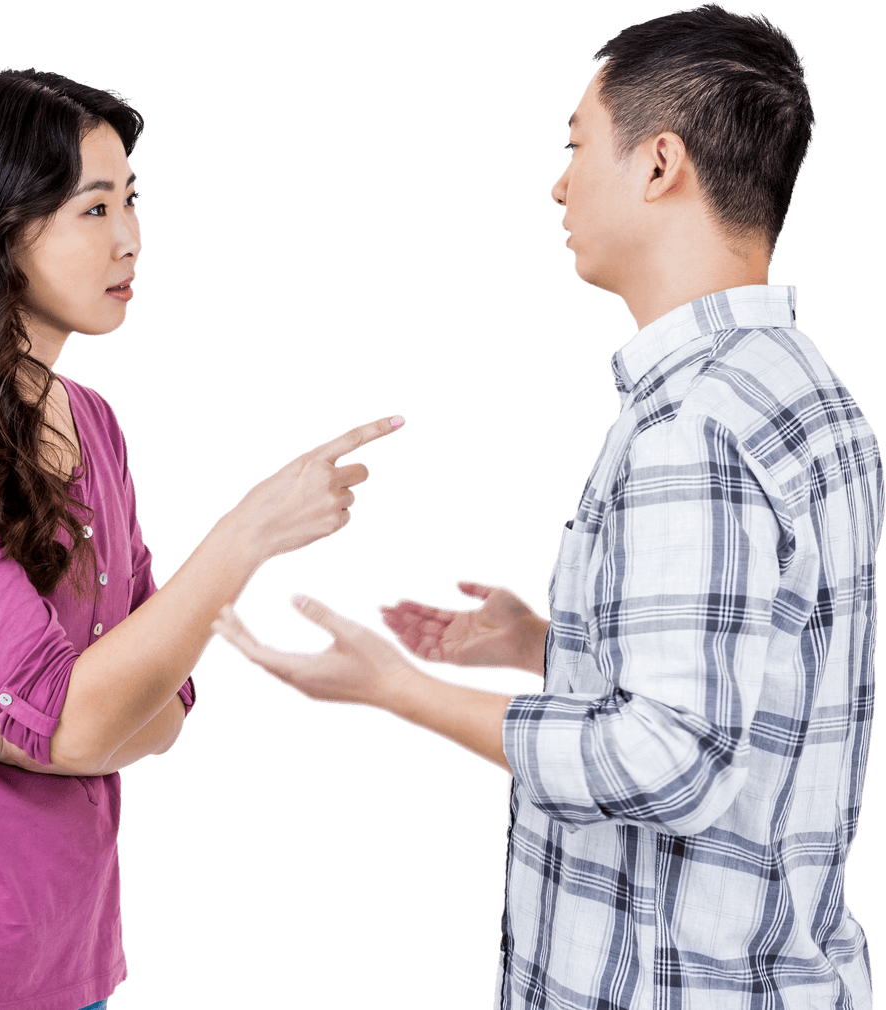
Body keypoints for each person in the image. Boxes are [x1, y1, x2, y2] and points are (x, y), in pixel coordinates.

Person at [211, 4, 882, 1007]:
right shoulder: (806, 391)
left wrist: (396, 689)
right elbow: (761, 681)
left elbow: (670, 763)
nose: (559, 184)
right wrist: (553, 647)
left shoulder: (692, 425)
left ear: (660, 164)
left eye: (576, 146)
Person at [0, 67, 404, 1010]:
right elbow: (85, 711)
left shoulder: (92, 420)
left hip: (75, 967)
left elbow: (163, 708)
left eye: (131, 200)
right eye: (93, 209)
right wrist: (244, 536)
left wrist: (56, 738)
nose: (131, 238)